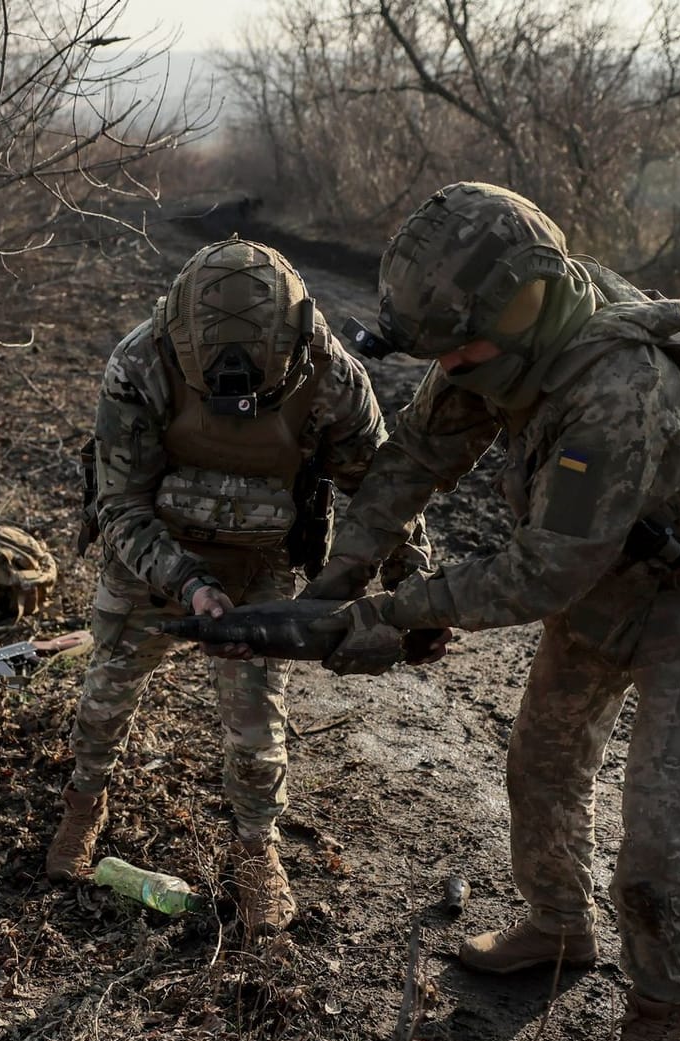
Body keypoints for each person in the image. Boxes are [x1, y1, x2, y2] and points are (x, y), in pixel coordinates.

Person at [307, 183, 680, 1041]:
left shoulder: (618, 392)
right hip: (609, 561)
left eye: (460, 348)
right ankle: (559, 928)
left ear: (521, 306)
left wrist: (385, 616)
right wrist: (338, 576)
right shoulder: (500, 336)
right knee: (545, 759)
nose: (452, 365)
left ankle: (657, 1011)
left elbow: (539, 575)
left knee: (658, 824)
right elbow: (415, 457)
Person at [48, 238, 427, 935]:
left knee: (257, 732)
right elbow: (120, 507)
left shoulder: (330, 376)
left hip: (262, 563)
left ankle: (257, 851)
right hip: (150, 557)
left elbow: (381, 493)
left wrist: (416, 589)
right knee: (105, 698)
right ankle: (83, 805)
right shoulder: (141, 364)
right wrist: (186, 582)